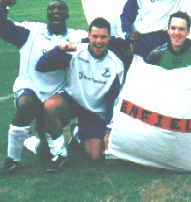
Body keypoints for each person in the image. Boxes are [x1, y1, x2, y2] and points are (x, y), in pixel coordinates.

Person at [0, 0, 87, 177]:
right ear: (47, 14)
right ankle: (12, 160)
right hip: (31, 87)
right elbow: (1, 27)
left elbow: (101, 41)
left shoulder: (77, 36)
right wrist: (2, 7)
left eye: (60, 8)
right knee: (27, 107)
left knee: (44, 152)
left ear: (67, 14)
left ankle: (30, 141)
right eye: (52, 8)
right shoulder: (31, 31)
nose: (56, 11)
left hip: (56, 93)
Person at [34, 17, 125, 171]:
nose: (99, 41)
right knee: (50, 106)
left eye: (103, 37)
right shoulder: (75, 51)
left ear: (109, 38)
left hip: (95, 110)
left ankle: (76, 131)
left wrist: (109, 131)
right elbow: (41, 66)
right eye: (95, 36)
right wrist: (60, 49)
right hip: (73, 101)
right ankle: (60, 154)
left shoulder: (116, 65)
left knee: (96, 156)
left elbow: (113, 101)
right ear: (88, 35)